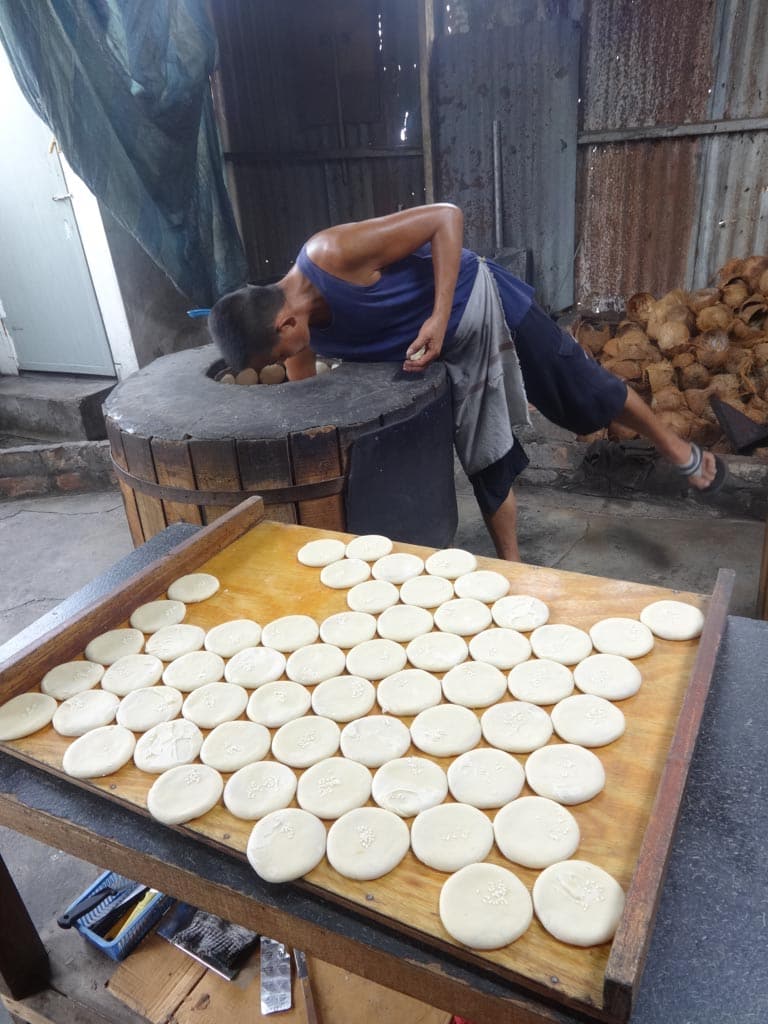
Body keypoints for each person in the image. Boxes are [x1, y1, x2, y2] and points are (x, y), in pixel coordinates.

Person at [208, 203, 718, 561]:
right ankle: (511, 568)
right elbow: (310, 406)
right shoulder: (300, 337)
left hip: (480, 306)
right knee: (484, 453)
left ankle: (675, 449)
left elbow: (444, 217)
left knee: (586, 397)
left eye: (280, 351)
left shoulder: (332, 254)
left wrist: (438, 314)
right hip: (437, 353)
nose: (290, 358)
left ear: (284, 325)